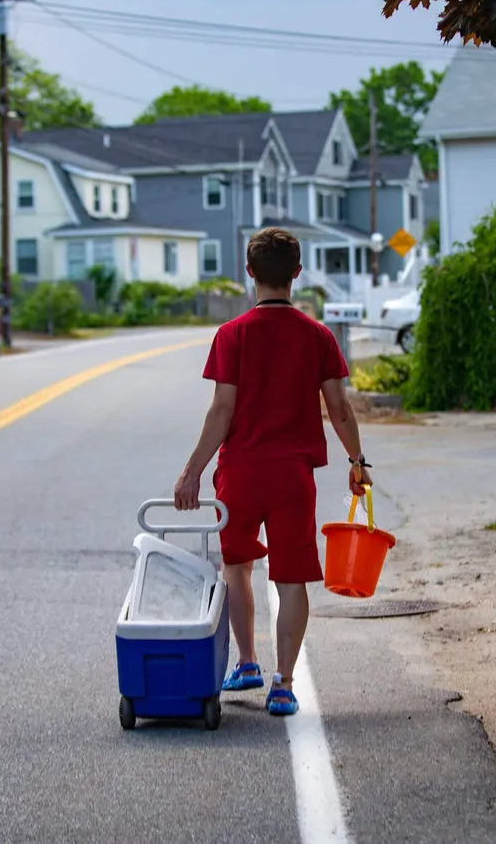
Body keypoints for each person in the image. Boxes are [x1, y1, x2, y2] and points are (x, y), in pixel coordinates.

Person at [174, 227, 371, 717]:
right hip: (292, 477)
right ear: (297, 275)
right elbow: (339, 408)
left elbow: (222, 410)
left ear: (249, 273)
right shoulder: (318, 336)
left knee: (237, 567)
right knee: (291, 578)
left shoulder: (231, 334)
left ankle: (247, 661)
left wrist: (191, 472)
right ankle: (283, 683)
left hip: (239, 472)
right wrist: (357, 462)